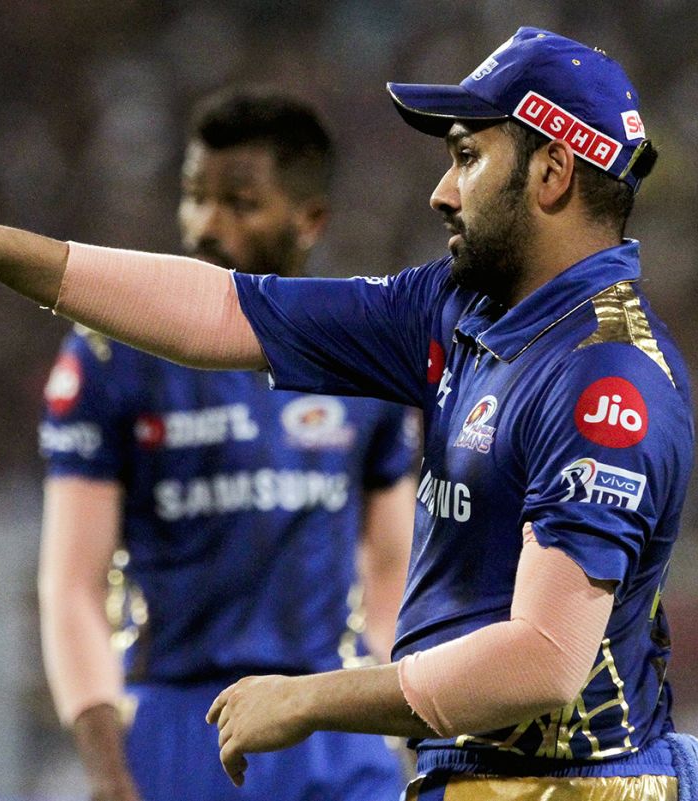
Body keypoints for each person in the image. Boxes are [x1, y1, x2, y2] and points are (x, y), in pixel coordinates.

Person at [0, 27, 698, 800]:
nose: (442, 189)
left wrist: (314, 699)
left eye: (466, 156)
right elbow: (219, 308)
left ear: (554, 174)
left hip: (575, 785)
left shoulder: (606, 381)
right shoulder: (459, 312)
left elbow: (543, 660)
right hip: (479, 771)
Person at [36, 89, 417, 801]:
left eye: (238, 203)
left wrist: (400, 711)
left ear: (310, 221)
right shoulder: (112, 355)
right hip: (180, 726)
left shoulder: (369, 348)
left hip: (330, 723)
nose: (206, 223)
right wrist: (106, 767)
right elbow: (71, 584)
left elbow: (394, 563)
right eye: (194, 196)